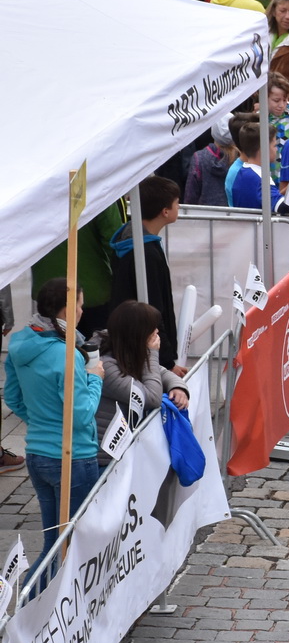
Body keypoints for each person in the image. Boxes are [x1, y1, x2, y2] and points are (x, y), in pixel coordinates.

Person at [6, 280, 103, 552]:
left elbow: (13, 397)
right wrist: (95, 379)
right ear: (67, 310)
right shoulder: (66, 353)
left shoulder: (20, 343)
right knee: (75, 548)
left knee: (55, 546)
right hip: (73, 456)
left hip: (38, 453)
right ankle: (40, 583)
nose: (82, 311)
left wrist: (42, 421)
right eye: (80, 305)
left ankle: (42, 581)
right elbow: (82, 415)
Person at [94, 301, 188, 462]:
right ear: (138, 333)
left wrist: (178, 387)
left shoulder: (124, 348)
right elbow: (151, 398)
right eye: (153, 328)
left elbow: (161, 372)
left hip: (123, 452)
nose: (157, 332)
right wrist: (151, 354)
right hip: (105, 458)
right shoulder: (105, 367)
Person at [107, 176, 184, 371]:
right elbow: (154, 308)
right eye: (177, 203)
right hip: (145, 352)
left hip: (134, 343)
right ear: (165, 211)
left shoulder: (133, 241)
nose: (179, 206)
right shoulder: (145, 253)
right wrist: (166, 361)